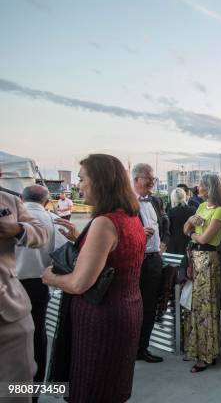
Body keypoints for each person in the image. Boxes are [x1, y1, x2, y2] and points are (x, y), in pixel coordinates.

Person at [42, 153, 146, 403]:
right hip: (127, 310)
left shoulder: (104, 223)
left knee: (91, 387)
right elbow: (117, 255)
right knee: (111, 386)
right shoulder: (131, 217)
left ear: (100, 182)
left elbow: (79, 283)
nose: (79, 185)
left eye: (82, 179)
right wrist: (82, 237)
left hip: (101, 317)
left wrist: (50, 278)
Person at [16, 185, 68, 385]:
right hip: (39, 284)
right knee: (37, 335)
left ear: (21, 199)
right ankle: (34, 390)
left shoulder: (10, 217)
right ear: (46, 202)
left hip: (9, 286)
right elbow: (62, 254)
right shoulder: (53, 220)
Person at [0, 189, 47, 391]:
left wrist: (18, 229)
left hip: (9, 307)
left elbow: (41, 233)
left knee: (17, 385)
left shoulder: (9, 200)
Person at [182, 174, 221, 372]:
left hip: (208, 260)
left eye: (200, 185)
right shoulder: (202, 207)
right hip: (196, 259)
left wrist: (192, 232)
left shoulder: (220, 211)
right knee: (195, 307)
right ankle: (198, 349)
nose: (197, 187)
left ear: (209, 188)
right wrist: (190, 225)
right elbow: (185, 228)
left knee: (207, 307)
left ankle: (207, 354)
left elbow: (204, 239)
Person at [132, 163, 169, 363]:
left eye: (154, 179)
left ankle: (142, 348)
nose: (153, 182)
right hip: (134, 262)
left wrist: (163, 241)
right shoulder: (126, 202)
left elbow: (165, 223)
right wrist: (138, 235)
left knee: (149, 307)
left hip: (153, 260)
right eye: (149, 178)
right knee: (131, 307)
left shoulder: (155, 200)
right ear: (136, 179)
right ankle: (129, 348)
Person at [166, 188, 196, 255]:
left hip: (174, 245)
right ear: (184, 196)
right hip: (190, 243)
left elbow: (168, 229)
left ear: (172, 198)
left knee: (174, 264)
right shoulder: (193, 210)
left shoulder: (171, 212)